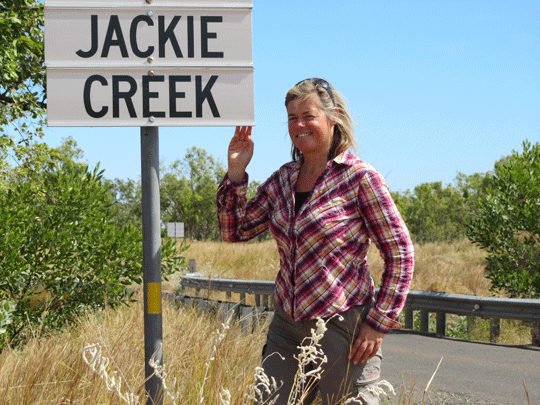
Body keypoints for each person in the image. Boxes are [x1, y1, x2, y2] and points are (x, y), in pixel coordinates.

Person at [216, 78, 414, 405]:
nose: (299, 125)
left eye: (308, 116)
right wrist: (236, 173)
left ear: (332, 118)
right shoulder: (283, 180)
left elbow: (401, 253)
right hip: (287, 325)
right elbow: (235, 231)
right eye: (292, 118)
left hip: (341, 323)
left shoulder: (359, 178)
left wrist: (378, 323)